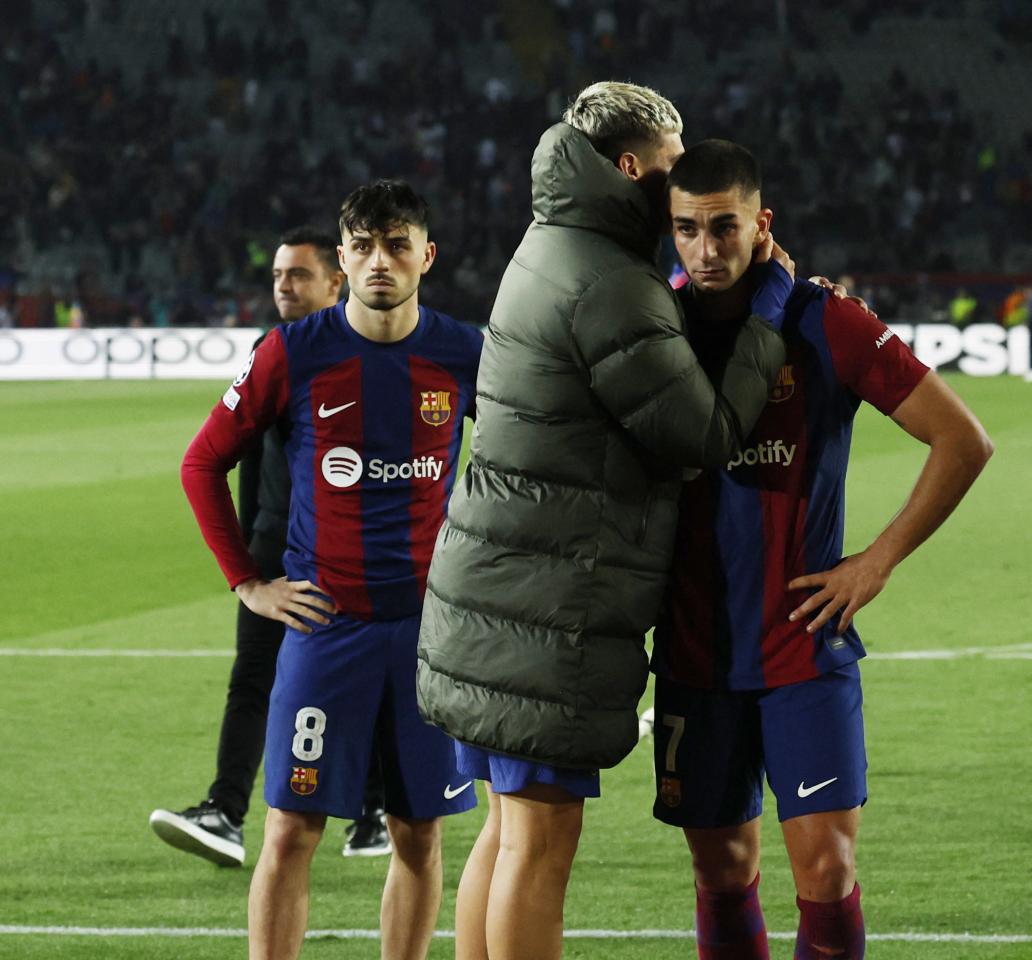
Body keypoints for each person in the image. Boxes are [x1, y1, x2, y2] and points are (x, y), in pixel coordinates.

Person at [413, 84, 786, 960]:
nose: (680, 176)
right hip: (549, 606)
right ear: (630, 166)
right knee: (539, 845)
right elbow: (705, 434)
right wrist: (767, 314)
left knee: (506, 833)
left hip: (496, 591)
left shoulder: (551, 241)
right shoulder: (613, 280)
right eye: (670, 161)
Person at [652, 138, 992, 960]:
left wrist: (875, 562)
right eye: (687, 230)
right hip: (695, 654)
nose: (705, 249)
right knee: (721, 871)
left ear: (761, 224)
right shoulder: (654, 328)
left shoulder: (826, 322)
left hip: (805, 650)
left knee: (828, 871)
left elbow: (963, 439)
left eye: (724, 227)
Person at [181, 180, 483, 960]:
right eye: (364, 246)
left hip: (429, 636)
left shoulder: (466, 353)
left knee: (418, 833)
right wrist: (248, 584)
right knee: (289, 829)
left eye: (397, 244)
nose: (381, 261)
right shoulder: (292, 352)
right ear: (343, 260)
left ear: (426, 255)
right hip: (327, 628)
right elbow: (202, 462)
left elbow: (530, 461)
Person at [150, 227, 393, 868]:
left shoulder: (370, 351)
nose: (283, 285)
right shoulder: (272, 349)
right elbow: (241, 458)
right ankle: (226, 812)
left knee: (359, 679)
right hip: (275, 548)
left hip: (344, 553)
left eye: (298, 274)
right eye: (279, 274)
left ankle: (373, 812)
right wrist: (250, 565)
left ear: (335, 281)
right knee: (253, 680)